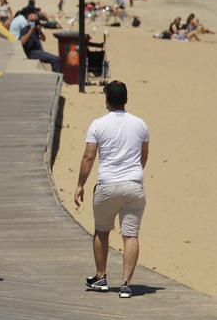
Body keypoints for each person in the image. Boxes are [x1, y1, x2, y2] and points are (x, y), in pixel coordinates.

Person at [74, 80, 149, 299]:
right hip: (134, 185)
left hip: (107, 184)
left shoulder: (98, 124)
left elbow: (89, 156)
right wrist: (133, 173)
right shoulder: (140, 124)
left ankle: (101, 276)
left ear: (107, 99)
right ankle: (126, 284)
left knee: (102, 231)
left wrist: (80, 184)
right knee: (131, 235)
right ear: (125, 99)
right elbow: (143, 155)